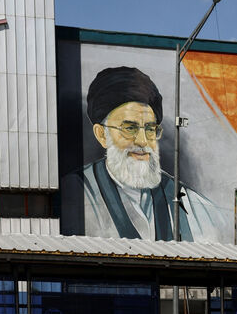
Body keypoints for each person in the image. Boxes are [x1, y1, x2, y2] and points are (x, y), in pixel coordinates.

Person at [61, 66, 227, 243]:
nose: (142, 141)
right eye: (129, 128)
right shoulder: (74, 194)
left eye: (149, 129)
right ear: (102, 134)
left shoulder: (195, 207)